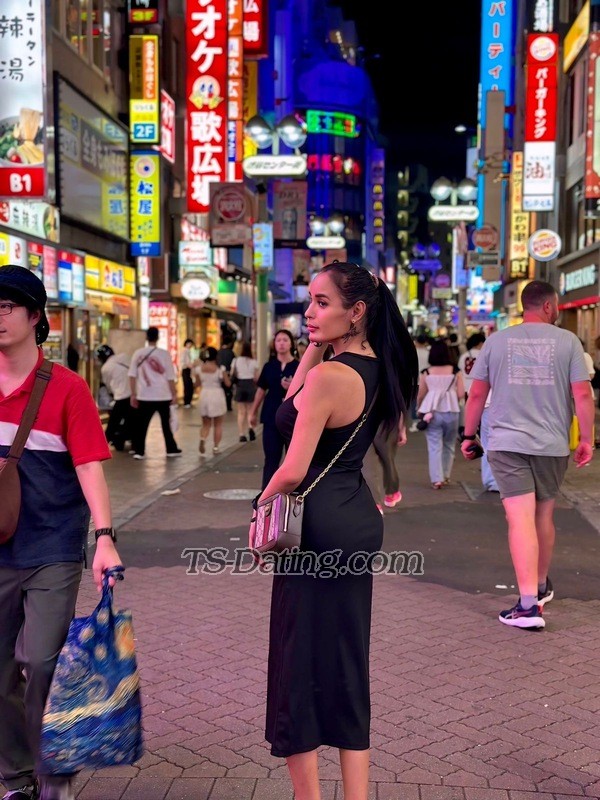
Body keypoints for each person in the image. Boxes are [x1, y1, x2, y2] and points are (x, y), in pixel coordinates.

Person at [250, 262, 418, 800]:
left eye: (321, 303)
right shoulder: (375, 368)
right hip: (355, 519)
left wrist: (259, 509)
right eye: (310, 301)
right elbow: (293, 401)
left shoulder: (329, 377)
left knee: (297, 666)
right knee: (347, 662)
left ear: (357, 311)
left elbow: (292, 467)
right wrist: (316, 344)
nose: (309, 312)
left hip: (313, 527)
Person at [0, 265, 122, 800]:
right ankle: (16, 776)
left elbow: (89, 465)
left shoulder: (67, 388)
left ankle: (55, 773)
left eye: (7, 306)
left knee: (42, 661)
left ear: (34, 316)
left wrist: (105, 537)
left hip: (52, 546)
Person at [462, 280, 594, 629]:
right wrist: (587, 439)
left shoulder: (496, 341)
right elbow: (583, 395)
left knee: (519, 518)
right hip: (551, 444)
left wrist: (468, 435)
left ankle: (527, 606)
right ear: (548, 306)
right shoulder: (569, 342)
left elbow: (477, 395)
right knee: (543, 515)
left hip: (506, 442)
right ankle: (540, 585)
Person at [249, 329, 299, 488]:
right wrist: (253, 412)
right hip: (271, 416)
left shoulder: (299, 366)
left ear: (291, 343)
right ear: (274, 344)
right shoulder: (269, 366)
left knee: (293, 460)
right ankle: (267, 495)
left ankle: (292, 493)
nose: (281, 343)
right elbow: (261, 390)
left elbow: (308, 391)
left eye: (285, 340)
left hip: (293, 419)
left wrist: (293, 387)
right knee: (271, 459)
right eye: (278, 340)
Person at [416, 339, 465, 489]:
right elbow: (461, 394)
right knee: (449, 444)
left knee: (434, 446)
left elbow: (421, 394)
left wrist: (419, 408)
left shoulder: (426, 372)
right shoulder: (456, 372)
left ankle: (437, 479)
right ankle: (446, 475)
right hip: (452, 410)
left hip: (431, 412)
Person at [128, 326, 181, 460]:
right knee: (165, 424)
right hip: (163, 395)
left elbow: (132, 375)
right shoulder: (164, 354)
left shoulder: (138, 353)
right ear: (158, 337)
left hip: (144, 395)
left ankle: (139, 450)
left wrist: (133, 394)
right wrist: (174, 394)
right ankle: (171, 449)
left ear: (146, 337)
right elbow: (170, 376)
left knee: (142, 425)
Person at [194, 346, 230, 455]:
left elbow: (197, 384)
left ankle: (203, 438)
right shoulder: (220, 369)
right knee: (218, 424)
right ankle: (215, 447)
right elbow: (228, 383)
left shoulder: (199, 369)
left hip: (205, 394)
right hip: (217, 394)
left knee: (205, 424)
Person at [96, 344, 132, 452]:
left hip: (121, 395)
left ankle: (104, 443)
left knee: (114, 421)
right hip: (135, 393)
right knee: (129, 420)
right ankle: (119, 440)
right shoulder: (124, 356)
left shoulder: (105, 368)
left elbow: (108, 385)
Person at [230, 340, 258, 442]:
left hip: (240, 385)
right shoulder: (254, 362)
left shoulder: (236, 361)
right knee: (250, 410)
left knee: (241, 412)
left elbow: (232, 374)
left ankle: (242, 434)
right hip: (250, 385)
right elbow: (256, 377)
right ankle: (250, 428)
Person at [409, 334, 430, 432]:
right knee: (425, 401)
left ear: (416, 342)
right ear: (425, 342)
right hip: (426, 381)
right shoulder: (428, 353)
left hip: (414, 380)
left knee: (414, 401)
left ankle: (415, 421)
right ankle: (425, 420)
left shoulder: (412, 353)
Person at [216, 338, 235, 412]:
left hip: (220, 374)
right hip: (228, 373)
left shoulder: (218, 352)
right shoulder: (231, 352)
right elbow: (233, 363)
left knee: (221, 390)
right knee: (228, 390)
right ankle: (228, 406)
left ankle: (221, 405)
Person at [180, 338, 196, 408]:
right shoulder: (184, 351)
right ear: (186, 344)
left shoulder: (188, 351)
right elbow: (183, 362)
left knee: (190, 386)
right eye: (190, 344)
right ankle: (186, 402)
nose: (190, 345)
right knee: (187, 386)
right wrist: (189, 365)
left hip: (188, 370)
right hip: (185, 370)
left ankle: (188, 401)